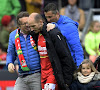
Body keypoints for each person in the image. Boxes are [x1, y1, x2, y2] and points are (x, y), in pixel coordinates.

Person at [28, 13, 76, 90]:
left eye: (33, 26)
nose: (32, 29)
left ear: (41, 22)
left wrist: (67, 80)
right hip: (43, 75)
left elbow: (65, 56)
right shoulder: (36, 35)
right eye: (30, 27)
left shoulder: (53, 33)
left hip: (53, 73)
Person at [6, 11, 41, 90]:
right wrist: (9, 63)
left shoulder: (36, 31)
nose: (27, 25)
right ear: (18, 26)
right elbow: (10, 53)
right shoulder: (13, 35)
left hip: (37, 74)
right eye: (24, 23)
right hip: (22, 76)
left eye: (28, 22)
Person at [44, 3, 84, 67]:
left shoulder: (69, 26)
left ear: (57, 14)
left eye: (50, 17)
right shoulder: (49, 25)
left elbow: (77, 48)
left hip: (70, 65)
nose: (48, 20)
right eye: (46, 17)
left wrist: (79, 67)